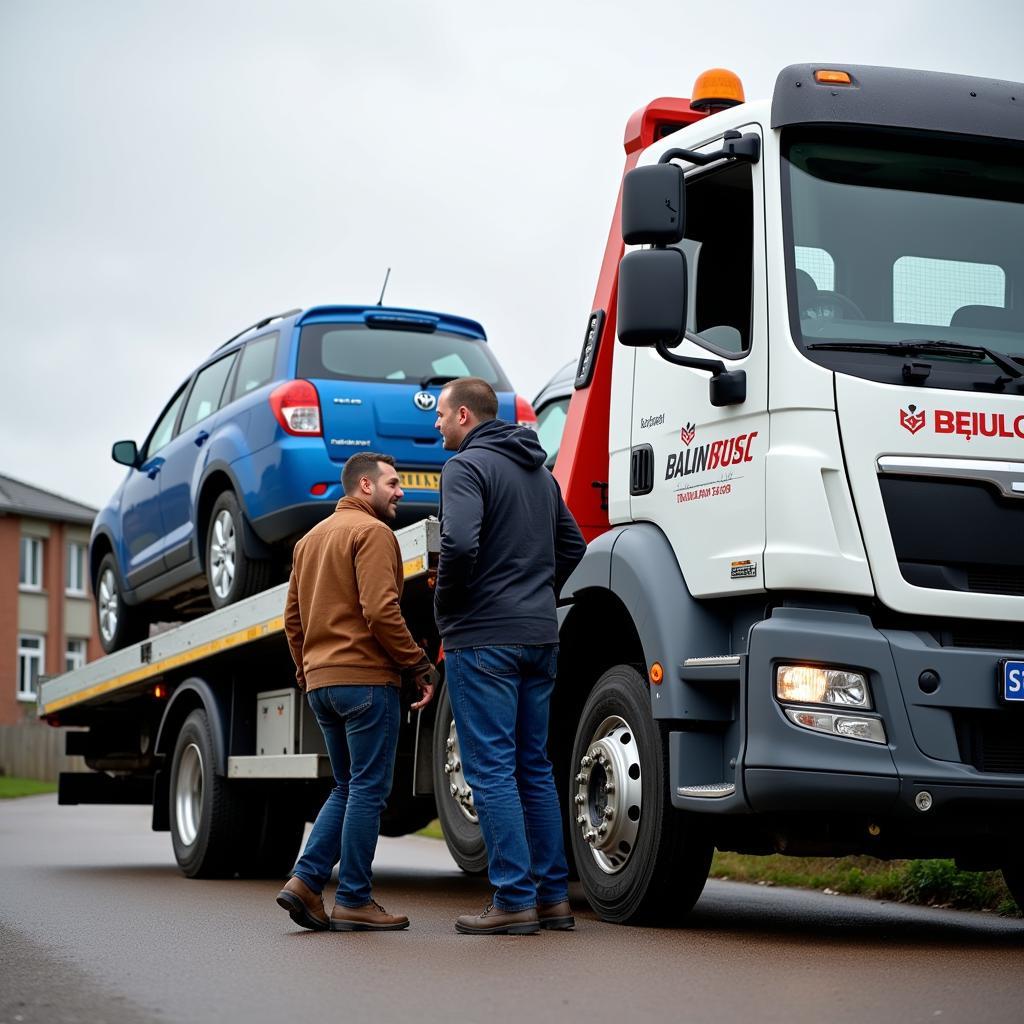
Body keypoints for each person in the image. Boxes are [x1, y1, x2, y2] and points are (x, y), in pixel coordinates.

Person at [433, 377, 587, 935]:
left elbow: (459, 544)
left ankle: (512, 900)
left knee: (491, 769)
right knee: (534, 767)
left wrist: (447, 609)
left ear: (466, 417)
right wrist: (537, 598)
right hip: (539, 636)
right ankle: (552, 899)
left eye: (443, 415)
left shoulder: (465, 469)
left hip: (483, 637)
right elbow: (573, 546)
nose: (437, 424)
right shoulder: (539, 473)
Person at [276, 452, 435, 932]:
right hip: (367, 680)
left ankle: (305, 882)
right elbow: (381, 610)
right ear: (364, 486)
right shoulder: (374, 534)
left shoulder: (308, 541)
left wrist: (308, 674)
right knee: (367, 789)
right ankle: (354, 899)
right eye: (392, 483)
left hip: (323, 685)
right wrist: (418, 665)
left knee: (347, 787)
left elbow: (292, 621)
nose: (400, 492)